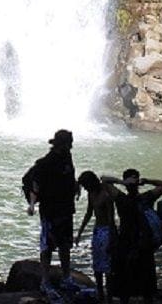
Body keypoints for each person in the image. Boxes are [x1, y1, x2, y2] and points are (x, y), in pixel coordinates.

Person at [26, 129, 79, 297]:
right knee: (47, 246)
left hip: (66, 209)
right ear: (61, 144)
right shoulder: (45, 163)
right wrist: (32, 205)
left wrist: (75, 186)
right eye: (69, 143)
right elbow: (35, 185)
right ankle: (45, 281)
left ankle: (66, 277)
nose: (71, 146)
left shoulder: (67, 157)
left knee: (65, 244)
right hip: (50, 211)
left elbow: (69, 177)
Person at [105, 169, 162, 304]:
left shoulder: (121, 198)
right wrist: (147, 181)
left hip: (127, 240)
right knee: (146, 276)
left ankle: (127, 299)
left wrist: (121, 182)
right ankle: (146, 298)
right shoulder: (146, 198)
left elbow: (104, 180)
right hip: (142, 241)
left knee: (125, 276)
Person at [75, 171, 120, 303]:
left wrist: (112, 237)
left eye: (85, 185)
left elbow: (112, 218)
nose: (85, 188)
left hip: (106, 231)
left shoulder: (106, 195)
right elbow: (89, 213)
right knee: (97, 266)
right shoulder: (91, 194)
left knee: (107, 266)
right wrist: (80, 232)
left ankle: (109, 298)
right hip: (97, 231)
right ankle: (101, 294)